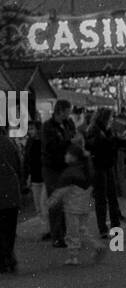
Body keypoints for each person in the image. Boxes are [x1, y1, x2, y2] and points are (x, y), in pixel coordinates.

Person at [47, 143, 103, 267]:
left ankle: (73, 256)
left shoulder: (69, 173)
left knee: (72, 232)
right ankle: (96, 244)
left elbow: (61, 191)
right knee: (82, 228)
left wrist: (50, 202)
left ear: (73, 157)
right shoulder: (86, 170)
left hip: (72, 207)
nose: (65, 156)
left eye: (67, 154)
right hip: (84, 206)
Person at [41, 99, 76, 247]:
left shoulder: (68, 124)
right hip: (53, 168)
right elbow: (50, 147)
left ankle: (64, 233)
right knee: (56, 202)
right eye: (68, 110)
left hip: (66, 167)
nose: (69, 113)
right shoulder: (48, 127)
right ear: (60, 110)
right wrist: (68, 142)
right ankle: (57, 236)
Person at [85, 107, 122, 239]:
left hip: (107, 165)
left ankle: (114, 225)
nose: (112, 120)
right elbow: (93, 145)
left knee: (110, 196)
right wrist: (111, 142)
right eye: (110, 117)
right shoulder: (95, 130)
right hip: (99, 166)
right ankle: (104, 227)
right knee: (102, 198)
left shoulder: (105, 130)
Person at [0, 124, 23, 273]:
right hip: (11, 191)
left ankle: (3, 261)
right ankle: (9, 257)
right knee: (9, 228)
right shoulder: (9, 142)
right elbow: (18, 164)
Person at [22, 116, 47, 234]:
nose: (30, 131)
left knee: (43, 204)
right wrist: (27, 176)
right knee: (38, 205)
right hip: (35, 178)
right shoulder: (30, 142)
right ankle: (45, 228)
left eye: (32, 128)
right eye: (29, 129)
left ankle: (48, 229)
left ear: (38, 129)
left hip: (45, 177)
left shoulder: (44, 142)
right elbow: (27, 160)